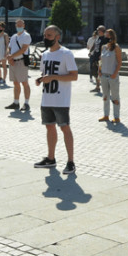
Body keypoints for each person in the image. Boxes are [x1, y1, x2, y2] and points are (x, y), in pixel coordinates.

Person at [33, 25, 79, 174]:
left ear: (58, 37)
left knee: (65, 127)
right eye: (45, 35)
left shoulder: (66, 53)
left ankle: (71, 161)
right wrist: (41, 79)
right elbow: (46, 73)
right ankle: (51, 158)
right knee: (49, 127)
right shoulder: (45, 54)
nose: (46, 38)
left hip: (61, 99)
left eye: (49, 36)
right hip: (47, 98)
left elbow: (74, 76)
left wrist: (53, 77)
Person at [5, 19, 33, 111]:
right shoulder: (13, 36)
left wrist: (11, 56)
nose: (19, 27)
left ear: (24, 26)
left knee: (24, 82)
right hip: (13, 62)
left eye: (20, 25)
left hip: (21, 61)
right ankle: (16, 102)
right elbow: (9, 48)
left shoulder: (26, 36)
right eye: (17, 25)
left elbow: (23, 49)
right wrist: (9, 57)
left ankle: (26, 103)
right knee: (15, 83)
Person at [98, 28, 122, 123]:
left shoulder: (116, 47)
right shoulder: (103, 47)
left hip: (112, 75)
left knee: (115, 96)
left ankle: (116, 116)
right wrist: (99, 71)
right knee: (105, 96)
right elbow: (101, 61)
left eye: (108, 35)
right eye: (105, 35)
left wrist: (115, 74)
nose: (106, 37)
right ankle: (106, 115)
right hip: (103, 75)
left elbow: (119, 62)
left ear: (112, 37)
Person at [89, 25, 107, 93]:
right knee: (95, 72)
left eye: (99, 30)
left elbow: (106, 48)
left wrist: (102, 55)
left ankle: (105, 87)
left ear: (102, 31)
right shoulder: (97, 38)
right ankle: (97, 87)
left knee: (101, 73)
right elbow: (94, 45)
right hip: (95, 57)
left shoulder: (105, 39)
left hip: (101, 58)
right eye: (97, 30)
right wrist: (90, 51)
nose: (97, 31)